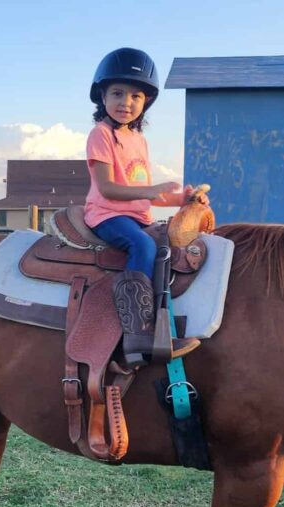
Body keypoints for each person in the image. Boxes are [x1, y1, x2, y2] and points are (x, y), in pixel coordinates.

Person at [85, 47, 202, 366]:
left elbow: (145, 195)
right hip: (107, 214)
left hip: (135, 214)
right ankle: (136, 330)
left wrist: (182, 200)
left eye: (136, 96)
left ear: (146, 101)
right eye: (118, 93)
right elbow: (107, 187)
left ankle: (165, 319)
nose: (126, 102)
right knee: (142, 245)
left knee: (168, 249)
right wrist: (153, 190)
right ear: (102, 96)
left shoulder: (139, 140)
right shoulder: (101, 135)